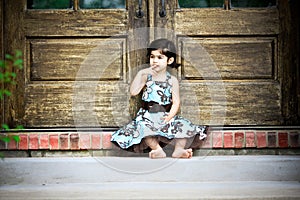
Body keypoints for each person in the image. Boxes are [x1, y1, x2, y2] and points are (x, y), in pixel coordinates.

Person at [111, 38, 207, 158]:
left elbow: (176, 102)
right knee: (143, 128)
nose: (155, 61)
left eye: (160, 58)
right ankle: (157, 149)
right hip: (148, 116)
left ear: (170, 60)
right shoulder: (147, 77)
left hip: (165, 115)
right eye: (152, 57)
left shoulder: (172, 80)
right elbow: (133, 92)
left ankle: (179, 149)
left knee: (183, 126)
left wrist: (170, 117)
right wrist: (141, 73)